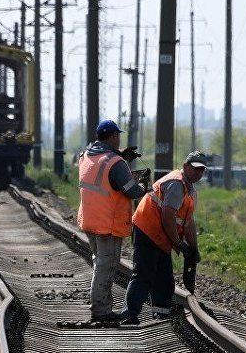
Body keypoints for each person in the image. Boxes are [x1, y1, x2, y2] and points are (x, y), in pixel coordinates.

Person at [120, 151, 207, 325]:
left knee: (164, 279)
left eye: (201, 170)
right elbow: (168, 216)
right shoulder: (176, 184)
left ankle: (160, 314)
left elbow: (188, 222)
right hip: (148, 229)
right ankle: (129, 314)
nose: (198, 173)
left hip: (161, 235)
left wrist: (194, 248)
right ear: (185, 167)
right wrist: (179, 244)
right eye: (195, 168)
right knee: (144, 274)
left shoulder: (190, 190)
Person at [76, 119, 149, 323]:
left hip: (89, 219)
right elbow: (131, 190)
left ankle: (101, 306)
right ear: (113, 136)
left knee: (100, 263)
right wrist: (144, 187)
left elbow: (102, 175)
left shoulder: (86, 156)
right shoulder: (115, 163)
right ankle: (100, 311)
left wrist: (121, 156)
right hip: (107, 223)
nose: (119, 139)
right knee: (106, 266)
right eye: (118, 136)